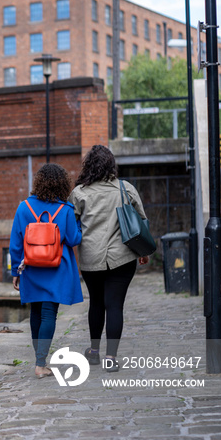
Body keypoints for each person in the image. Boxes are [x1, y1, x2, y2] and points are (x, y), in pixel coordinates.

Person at [68, 145, 150, 373]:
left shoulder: (79, 193)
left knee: (95, 303)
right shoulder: (126, 189)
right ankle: (111, 357)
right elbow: (141, 221)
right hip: (122, 257)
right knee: (115, 305)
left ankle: (94, 352)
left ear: (89, 166)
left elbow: (70, 227)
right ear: (111, 165)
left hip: (91, 258)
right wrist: (142, 252)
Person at [10, 163, 83, 379]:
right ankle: (40, 365)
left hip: (32, 268)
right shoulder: (66, 210)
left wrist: (16, 271)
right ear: (63, 184)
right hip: (56, 268)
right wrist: (78, 224)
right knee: (49, 313)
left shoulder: (23, 208)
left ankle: (39, 360)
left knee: (35, 312)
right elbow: (73, 239)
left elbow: (16, 242)